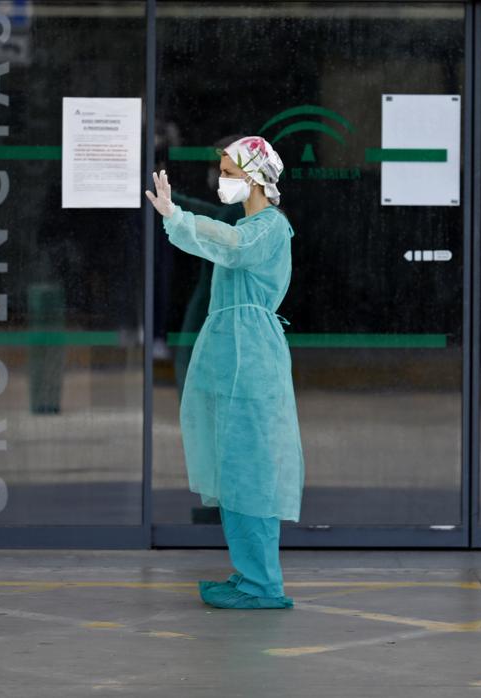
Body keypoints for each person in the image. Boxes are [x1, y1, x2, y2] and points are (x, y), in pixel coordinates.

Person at [145, 136, 304, 610]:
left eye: (230, 173)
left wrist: (177, 217)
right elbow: (225, 242)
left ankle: (263, 585)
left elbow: (233, 247)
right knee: (232, 468)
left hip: (252, 359)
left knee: (252, 469)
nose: (222, 180)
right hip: (231, 356)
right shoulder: (246, 223)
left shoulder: (269, 226)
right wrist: (178, 219)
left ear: (255, 177)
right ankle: (248, 573)